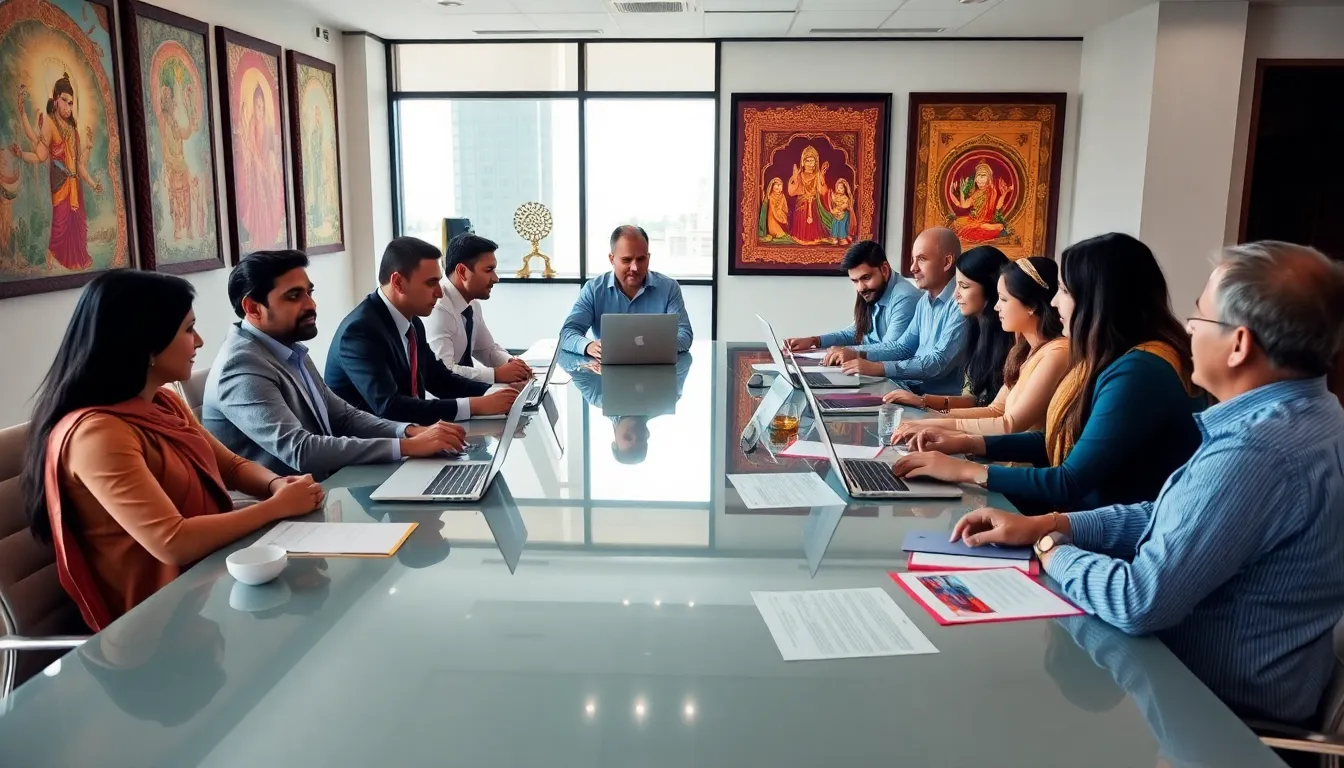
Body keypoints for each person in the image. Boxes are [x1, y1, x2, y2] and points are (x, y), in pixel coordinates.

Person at [951, 241, 1344, 726]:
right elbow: (1168, 512)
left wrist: (1053, 549)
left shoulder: (1256, 450)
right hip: (1211, 683)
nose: (1188, 329)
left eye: (1200, 318)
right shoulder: (1312, 413)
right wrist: (1055, 525)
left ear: (1239, 344)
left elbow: (1138, 600)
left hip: (1212, 716)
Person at [20, 271, 326, 631]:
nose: (198, 342)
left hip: (205, 587)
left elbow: (230, 466)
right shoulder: (98, 435)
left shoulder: (162, 401)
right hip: (152, 623)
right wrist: (276, 508)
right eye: (187, 329)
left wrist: (277, 485)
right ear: (146, 344)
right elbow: (172, 542)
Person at [892, 233, 1205, 513]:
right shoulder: (1110, 359)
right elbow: (1055, 439)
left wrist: (963, 470)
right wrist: (964, 444)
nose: (1054, 302)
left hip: (1095, 531)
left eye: (1065, 291)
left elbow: (1069, 480)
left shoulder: (1139, 371)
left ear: (1098, 300)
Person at [203, 250, 467, 480]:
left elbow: (343, 416)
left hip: (328, 485)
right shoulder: (240, 367)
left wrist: (411, 432)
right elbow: (301, 450)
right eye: (294, 296)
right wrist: (406, 446)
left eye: (309, 292)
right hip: (283, 516)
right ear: (253, 307)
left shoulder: (288, 346)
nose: (311, 304)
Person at [325, 237, 519, 424]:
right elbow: (389, 407)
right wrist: (475, 405)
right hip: (372, 449)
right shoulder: (360, 331)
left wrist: (493, 393)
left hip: (409, 436)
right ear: (399, 283)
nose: (440, 292)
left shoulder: (413, 322)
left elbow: (439, 378)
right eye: (431, 283)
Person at [890, 255, 1068, 437]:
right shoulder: (1023, 349)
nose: (997, 306)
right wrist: (929, 415)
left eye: (1004, 299)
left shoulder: (1056, 353)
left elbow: (1010, 424)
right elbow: (995, 410)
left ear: (1031, 305)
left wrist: (932, 421)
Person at [837, 227, 969, 395]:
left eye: (921, 259)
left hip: (933, 404)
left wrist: (879, 368)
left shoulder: (961, 303)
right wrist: (857, 353)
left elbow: (937, 363)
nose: (913, 268)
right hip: (906, 390)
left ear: (947, 262)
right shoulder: (924, 301)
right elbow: (903, 347)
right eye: (913, 260)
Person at [559, 225, 693, 359]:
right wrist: (589, 346)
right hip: (606, 372)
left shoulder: (669, 287)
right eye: (626, 260)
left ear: (648, 257)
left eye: (641, 259)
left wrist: (656, 348)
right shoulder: (593, 289)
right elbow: (567, 333)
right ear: (612, 259)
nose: (634, 267)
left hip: (657, 368)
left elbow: (685, 334)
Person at [783, 240, 920, 366]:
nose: (860, 288)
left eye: (866, 278)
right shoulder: (872, 290)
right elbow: (855, 332)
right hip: (871, 371)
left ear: (884, 270)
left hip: (896, 382)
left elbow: (892, 350)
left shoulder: (905, 297)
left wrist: (849, 352)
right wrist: (814, 341)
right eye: (855, 281)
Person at [423, 233, 532, 385]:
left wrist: (513, 364)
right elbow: (444, 371)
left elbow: (487, 350)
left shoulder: (472, 305)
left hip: (466, 395)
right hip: (442, 402)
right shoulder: (438, 309)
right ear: (462, 271)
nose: (496, 278)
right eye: (488, 270)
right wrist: (495, 374)